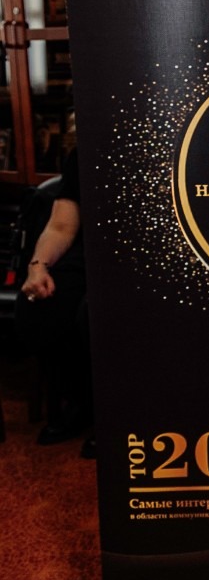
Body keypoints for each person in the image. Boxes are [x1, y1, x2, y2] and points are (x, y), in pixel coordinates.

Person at [16, 147, 94, 456]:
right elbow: (61, 226)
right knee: (42, 305)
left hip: (145, 254)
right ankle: (80, 404)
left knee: (96, 315)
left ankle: (115, 414)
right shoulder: (84, 149)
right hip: (90, 250)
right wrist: (38, 266)